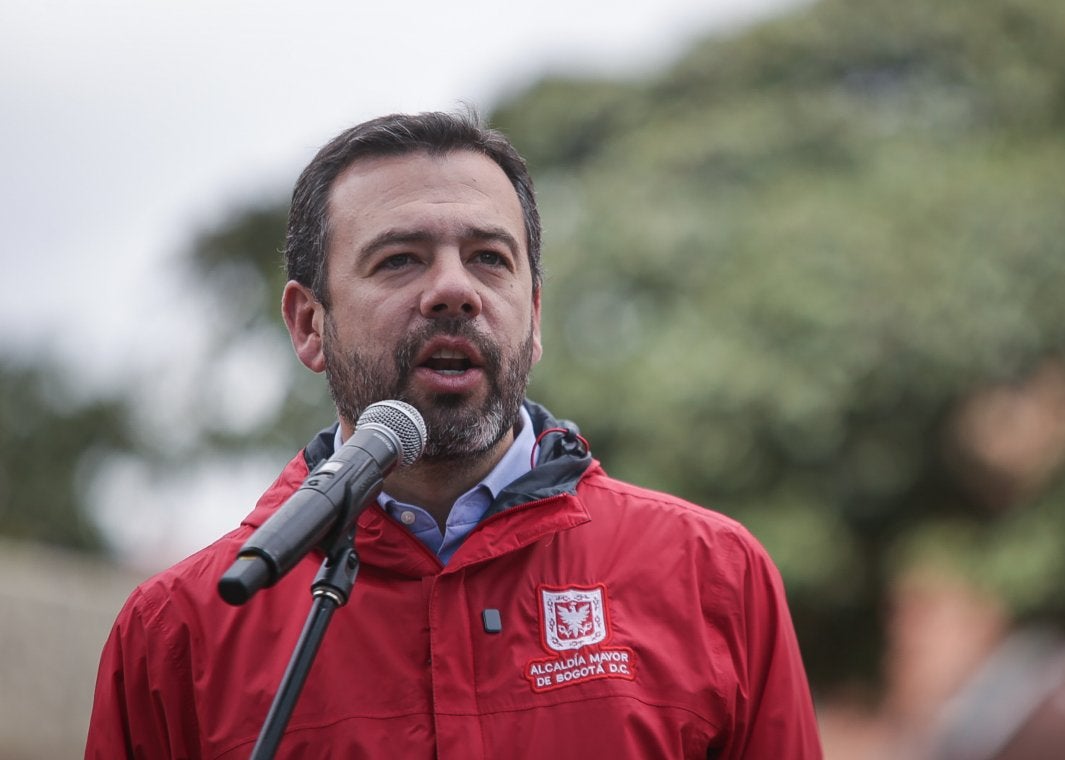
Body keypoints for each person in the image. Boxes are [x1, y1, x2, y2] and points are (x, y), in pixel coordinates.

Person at [85, 111, 822, 759]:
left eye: (489, 259)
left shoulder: (713, 577)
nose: (453, 289)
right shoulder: (178, 634)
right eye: (399, 259)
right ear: (311, 324)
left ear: (533, 317)